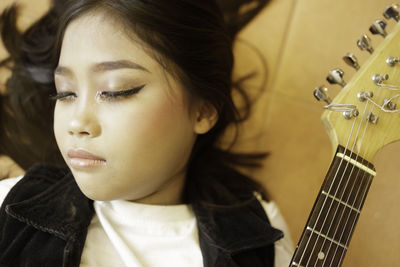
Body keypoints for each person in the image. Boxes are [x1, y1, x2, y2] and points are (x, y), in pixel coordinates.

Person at [0, 0, 293, 266]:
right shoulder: (9, 205)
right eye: (65, 93)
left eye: (115, 91)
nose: (77, 122)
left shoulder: (261, 234)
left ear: (203, 111)